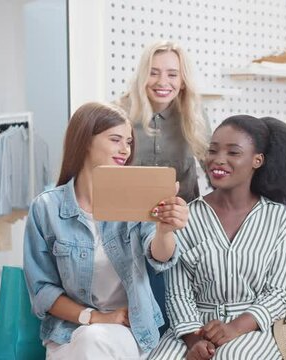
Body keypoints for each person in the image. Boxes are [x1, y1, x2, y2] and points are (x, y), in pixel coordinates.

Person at [23, 102, 189, 359]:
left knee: (94, 341)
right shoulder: (46, 208)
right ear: (86, 140)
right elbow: (43, 291)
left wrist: (165, 231)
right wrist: (97, 317)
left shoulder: (138, 197)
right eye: (115, 140)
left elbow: (160, 257)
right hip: (68, 332)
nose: (125, 149)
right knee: (91, 338)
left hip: (130, 329)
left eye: (129, 142)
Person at [149, 115, 286, 360]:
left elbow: (279, 292)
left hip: (253, 327)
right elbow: (177, 292)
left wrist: (235, 328)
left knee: (231, 357)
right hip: (191, 328)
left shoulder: (279, 219)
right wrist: (194, 340)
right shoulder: (187, 216)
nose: (218, 160)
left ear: (257, 160)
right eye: (213, 151)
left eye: (233, 152)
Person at [119, 40, 209, 332]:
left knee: (177, 308)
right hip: (128, 225)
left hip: (180, 223)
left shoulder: (195, 116)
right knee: (139, 306)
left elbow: (214, 168)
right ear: (142, 75)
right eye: (154, 72)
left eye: (172, 74)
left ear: (183, 81)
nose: (162, 82)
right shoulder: (119, 112)